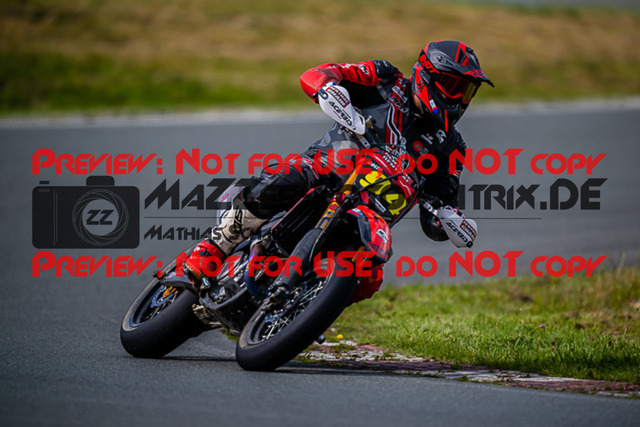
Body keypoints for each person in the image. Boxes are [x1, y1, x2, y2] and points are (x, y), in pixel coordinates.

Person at [185, 40, 493, 301]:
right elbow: (319, 74)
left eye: (467, 91)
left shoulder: (451, 146)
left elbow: (438, 209)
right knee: (286, 177)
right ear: (427, 75)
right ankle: (214, 247)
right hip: (326, 172)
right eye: (454, 87)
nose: (459, 99)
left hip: (373, 213)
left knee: (369, 279)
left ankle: (301, 311)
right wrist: (328, 88)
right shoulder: (386, 79)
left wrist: (451, 223)